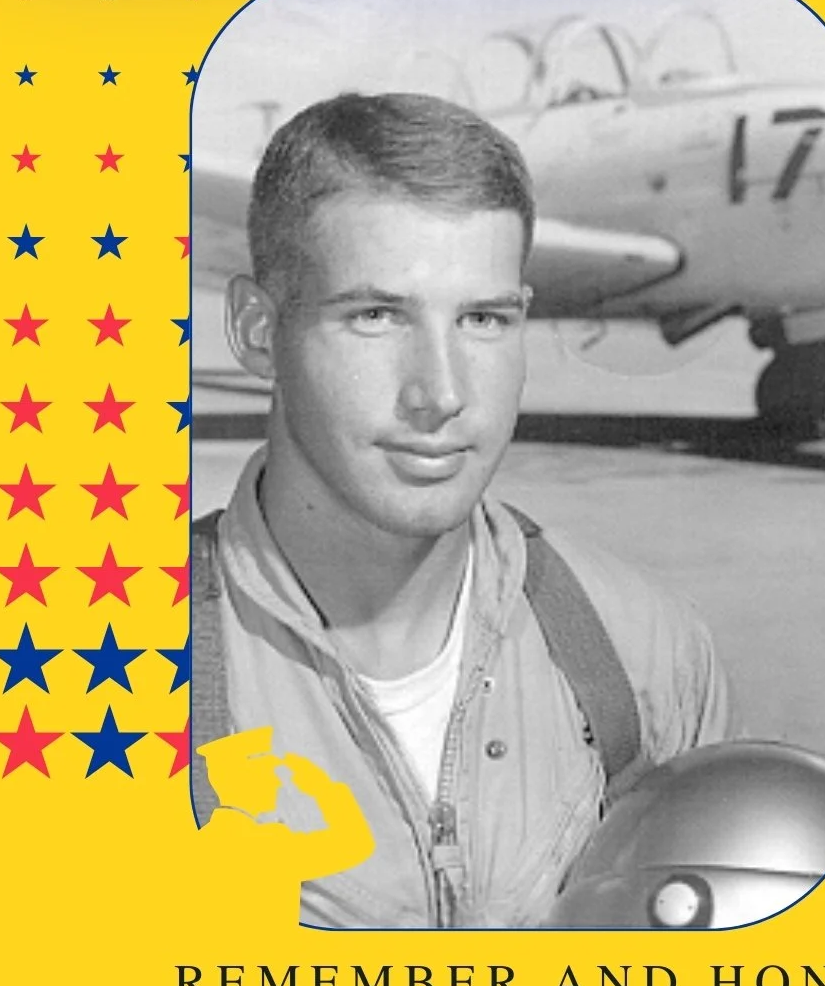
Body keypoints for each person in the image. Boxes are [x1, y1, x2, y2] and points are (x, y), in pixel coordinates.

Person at [192, 91, 733, 928]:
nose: (441, 393)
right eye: (376, 316)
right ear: (259, 331)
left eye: (483, 319)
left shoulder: (645, 649)